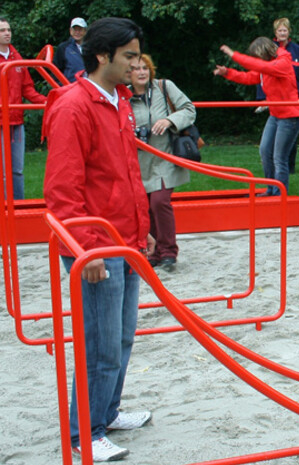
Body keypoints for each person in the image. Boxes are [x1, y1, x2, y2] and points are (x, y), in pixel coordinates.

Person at [43, 17, 154, 462]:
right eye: (128, 55)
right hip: (96, 245)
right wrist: (84, 247)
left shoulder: (119, 101)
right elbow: (62, 189)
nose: (135, 63)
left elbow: (127, 173)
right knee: (99, 344)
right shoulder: (75, 106)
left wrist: (141, 232)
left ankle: (106, 413)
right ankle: (83, 434)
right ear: (102, 55)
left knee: (122, 338)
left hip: (122, 239)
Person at [129, 54, 196, 272]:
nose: (141, 72)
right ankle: (155, 251)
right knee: (146, 206)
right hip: (140, 160)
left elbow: (189, 109)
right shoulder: (123, 96)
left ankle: (168, 251)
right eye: (137, 68)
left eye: (145, 68)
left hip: (165, 156)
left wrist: (169, 120)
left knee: (159, 201)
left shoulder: (163, 87)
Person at [213, 37, 299, 196]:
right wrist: (227, 73)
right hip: (275, 114)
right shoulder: (266, 67)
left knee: (279, 157)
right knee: (264, 151)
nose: (256, 59)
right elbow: (249, 77)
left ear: (265, 52)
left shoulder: (282, 62)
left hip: (290, 117)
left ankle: (279, 195)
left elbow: (259, 66)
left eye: (257, 55)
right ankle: (271, 189)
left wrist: (234, 55)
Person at [255, 18, 299, 176]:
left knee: (280, 154)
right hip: (276, 107)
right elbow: (261, 77)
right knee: (266, 150)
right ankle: (271, 187)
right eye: (279, 30)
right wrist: (262, 99)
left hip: (292, 105)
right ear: (275, 33)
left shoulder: (295, 52)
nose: (282, 33)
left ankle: (279, 191)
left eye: (284, 30)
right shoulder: (269, 53)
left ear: (289, 32)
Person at [0, 17, 47, 200]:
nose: (7, 33)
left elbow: (27, 88)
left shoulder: (16, 57)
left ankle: (17, 205)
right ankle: (4, 210)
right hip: (1, 120)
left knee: (17, 169)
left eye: (8, 29)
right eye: (2, 30)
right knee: (3, 170)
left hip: (15, 121)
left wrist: (46, 101)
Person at [53, 17, 87, 83]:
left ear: (85, 31)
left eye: (80, 29)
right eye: (75, 30)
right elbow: (55, 71)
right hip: (70, 88)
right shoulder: (63, 48)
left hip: (88, 87)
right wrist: (62, 87)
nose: (77, 32)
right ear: (70, 30)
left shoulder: (92, 47)